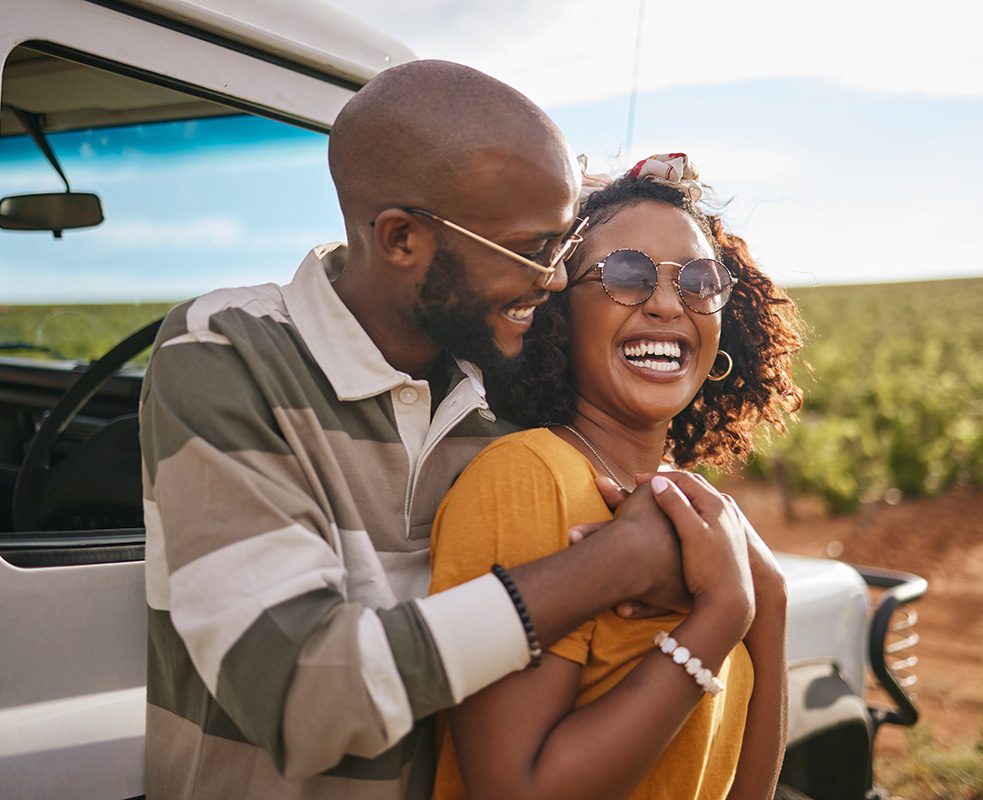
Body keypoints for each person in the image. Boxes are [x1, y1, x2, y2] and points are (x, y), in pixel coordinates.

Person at [139, 65, 734, 800]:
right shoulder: (227, 354)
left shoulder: (507, 386)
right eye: (531, 248)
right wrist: (614, 566)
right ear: (400, 239)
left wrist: (738, 576)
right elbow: (302, 698)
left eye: (562, 245)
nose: (553, 279)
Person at [429, 154, 804, 799]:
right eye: (626, 274)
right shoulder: (527, 480)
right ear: (556, 313)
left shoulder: (689, 505)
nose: (666, 303)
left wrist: (768, 603)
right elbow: (514, 789)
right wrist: (721, 616)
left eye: (699, 279)